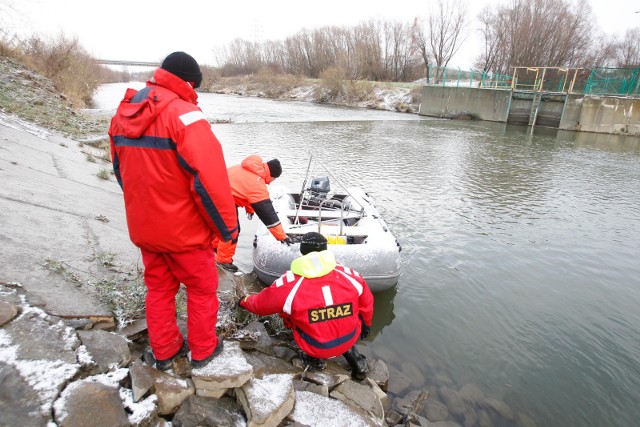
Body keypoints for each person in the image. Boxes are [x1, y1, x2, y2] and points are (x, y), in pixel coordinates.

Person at [108, 51, 239, 370]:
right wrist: (228, 229)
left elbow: (120, 170)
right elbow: (209, 182)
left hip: (146, 230)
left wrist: (144, 209)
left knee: (159, 290)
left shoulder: (125, 111)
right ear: (191, 83)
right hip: (186, 234)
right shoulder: (187, 116)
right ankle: (204, 349)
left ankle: (165, 351)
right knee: (202, 289)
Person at [238, 232, 373, 380]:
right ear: (326, 250)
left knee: (293, 314)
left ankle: (315, 360)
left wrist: (244, 301)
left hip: (315, 345)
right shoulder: (350, 275)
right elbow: (367, 303)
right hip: (350, 337)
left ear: (302, 251)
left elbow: (260, 305)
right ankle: (356, 359)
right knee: (345, 318)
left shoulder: (288, 282)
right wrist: (366, 325)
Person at [214, 154, 292, 272]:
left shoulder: (244, 168)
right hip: (222, 200)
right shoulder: (258, 185)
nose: (271, 182)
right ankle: (223, 261)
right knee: (232, 231)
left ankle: (215, 248)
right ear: (272, 175)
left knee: (220, 226)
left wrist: (249, 209)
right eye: (274, 179)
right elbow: (268, 215)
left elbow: (243, 190)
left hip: (210, 195)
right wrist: (282, 236)